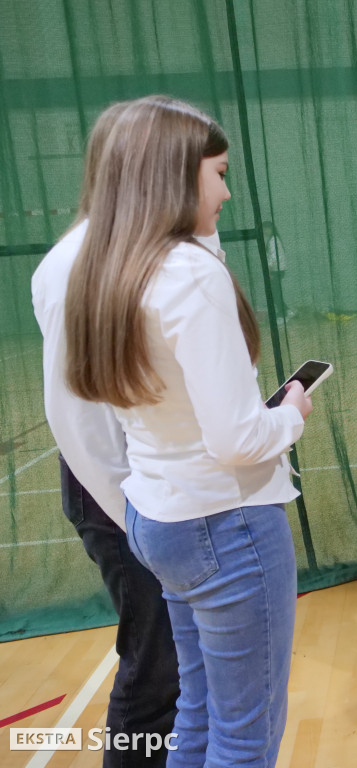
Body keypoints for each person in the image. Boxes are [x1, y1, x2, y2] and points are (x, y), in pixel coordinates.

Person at [62, 95, 313, 767]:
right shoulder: (189, 275)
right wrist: (290, 414)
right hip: (223, 522)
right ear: (174, 174)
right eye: (219, 173)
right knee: (244, 739)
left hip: (159, 516)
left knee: (199, 714)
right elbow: (236, 440)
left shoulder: (107, 270)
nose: (227, 191)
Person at [31, 100, 180, 768]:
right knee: (154, 669)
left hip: (154, 491)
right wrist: (138, 522)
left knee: (175, 667)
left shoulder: (141, 250)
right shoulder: (76, 266)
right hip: (120, 498)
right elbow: (79, 421)